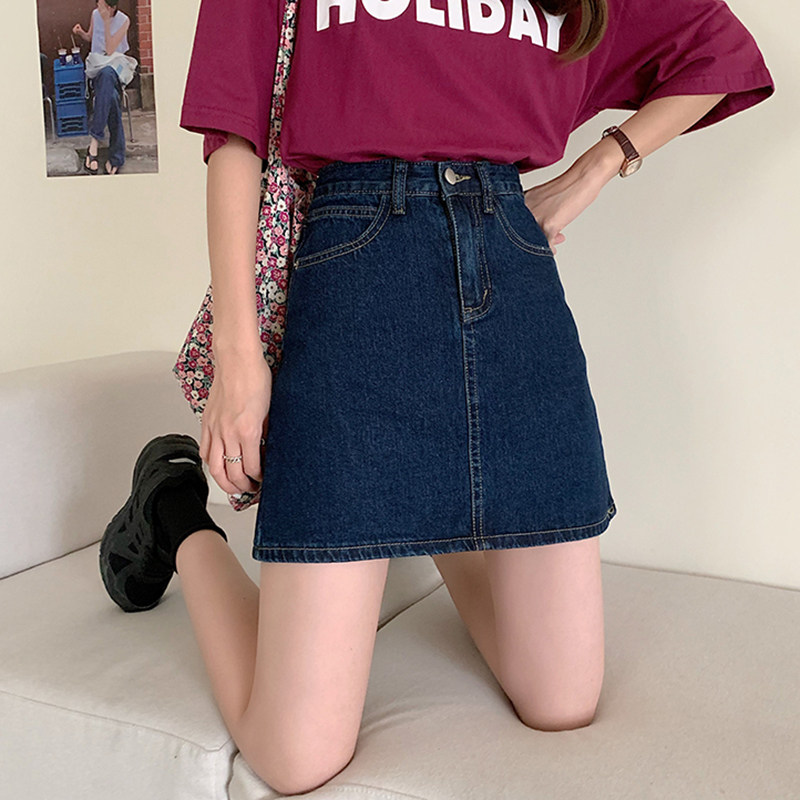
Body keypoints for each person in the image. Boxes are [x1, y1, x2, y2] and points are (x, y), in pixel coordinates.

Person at [99, 0, 774, 794]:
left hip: (513, 280)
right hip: (355, 278)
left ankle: (433, 514)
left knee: (562, 701)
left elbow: (719, 53)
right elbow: (235, 136)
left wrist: (592, 171)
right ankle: (173, 507)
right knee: (294, 756)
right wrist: (238, 358)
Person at [72, 0, 131, 175]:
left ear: (111, 7)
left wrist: (106, 22)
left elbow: (110, 49)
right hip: (97, 68)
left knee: (108, 74)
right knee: (111, 96)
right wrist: (81, 32)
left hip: (116, 69)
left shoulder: (124, 20)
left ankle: (94, 143)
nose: (98, 7)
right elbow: (91, 37)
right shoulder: (95, 14)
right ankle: (116, 157)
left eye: (101, 5)